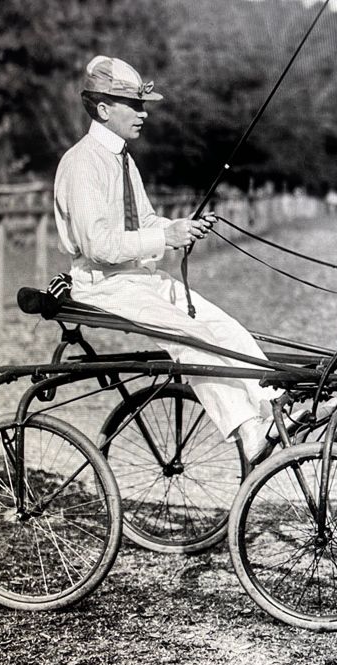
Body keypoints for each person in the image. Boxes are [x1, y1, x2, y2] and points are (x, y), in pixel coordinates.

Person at [53, 55, 276, 462]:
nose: (143, 114)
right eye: (134, 106)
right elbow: (98, 245)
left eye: (143, 106)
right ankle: (247, 430)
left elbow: (144, 220)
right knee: (189, 338)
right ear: (103, 109)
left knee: (223, 327)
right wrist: (163, 235)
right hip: (103, 286)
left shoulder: (123, 158)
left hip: (138, 278)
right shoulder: (81, 163)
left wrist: (179, 227)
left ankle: (274, 408)